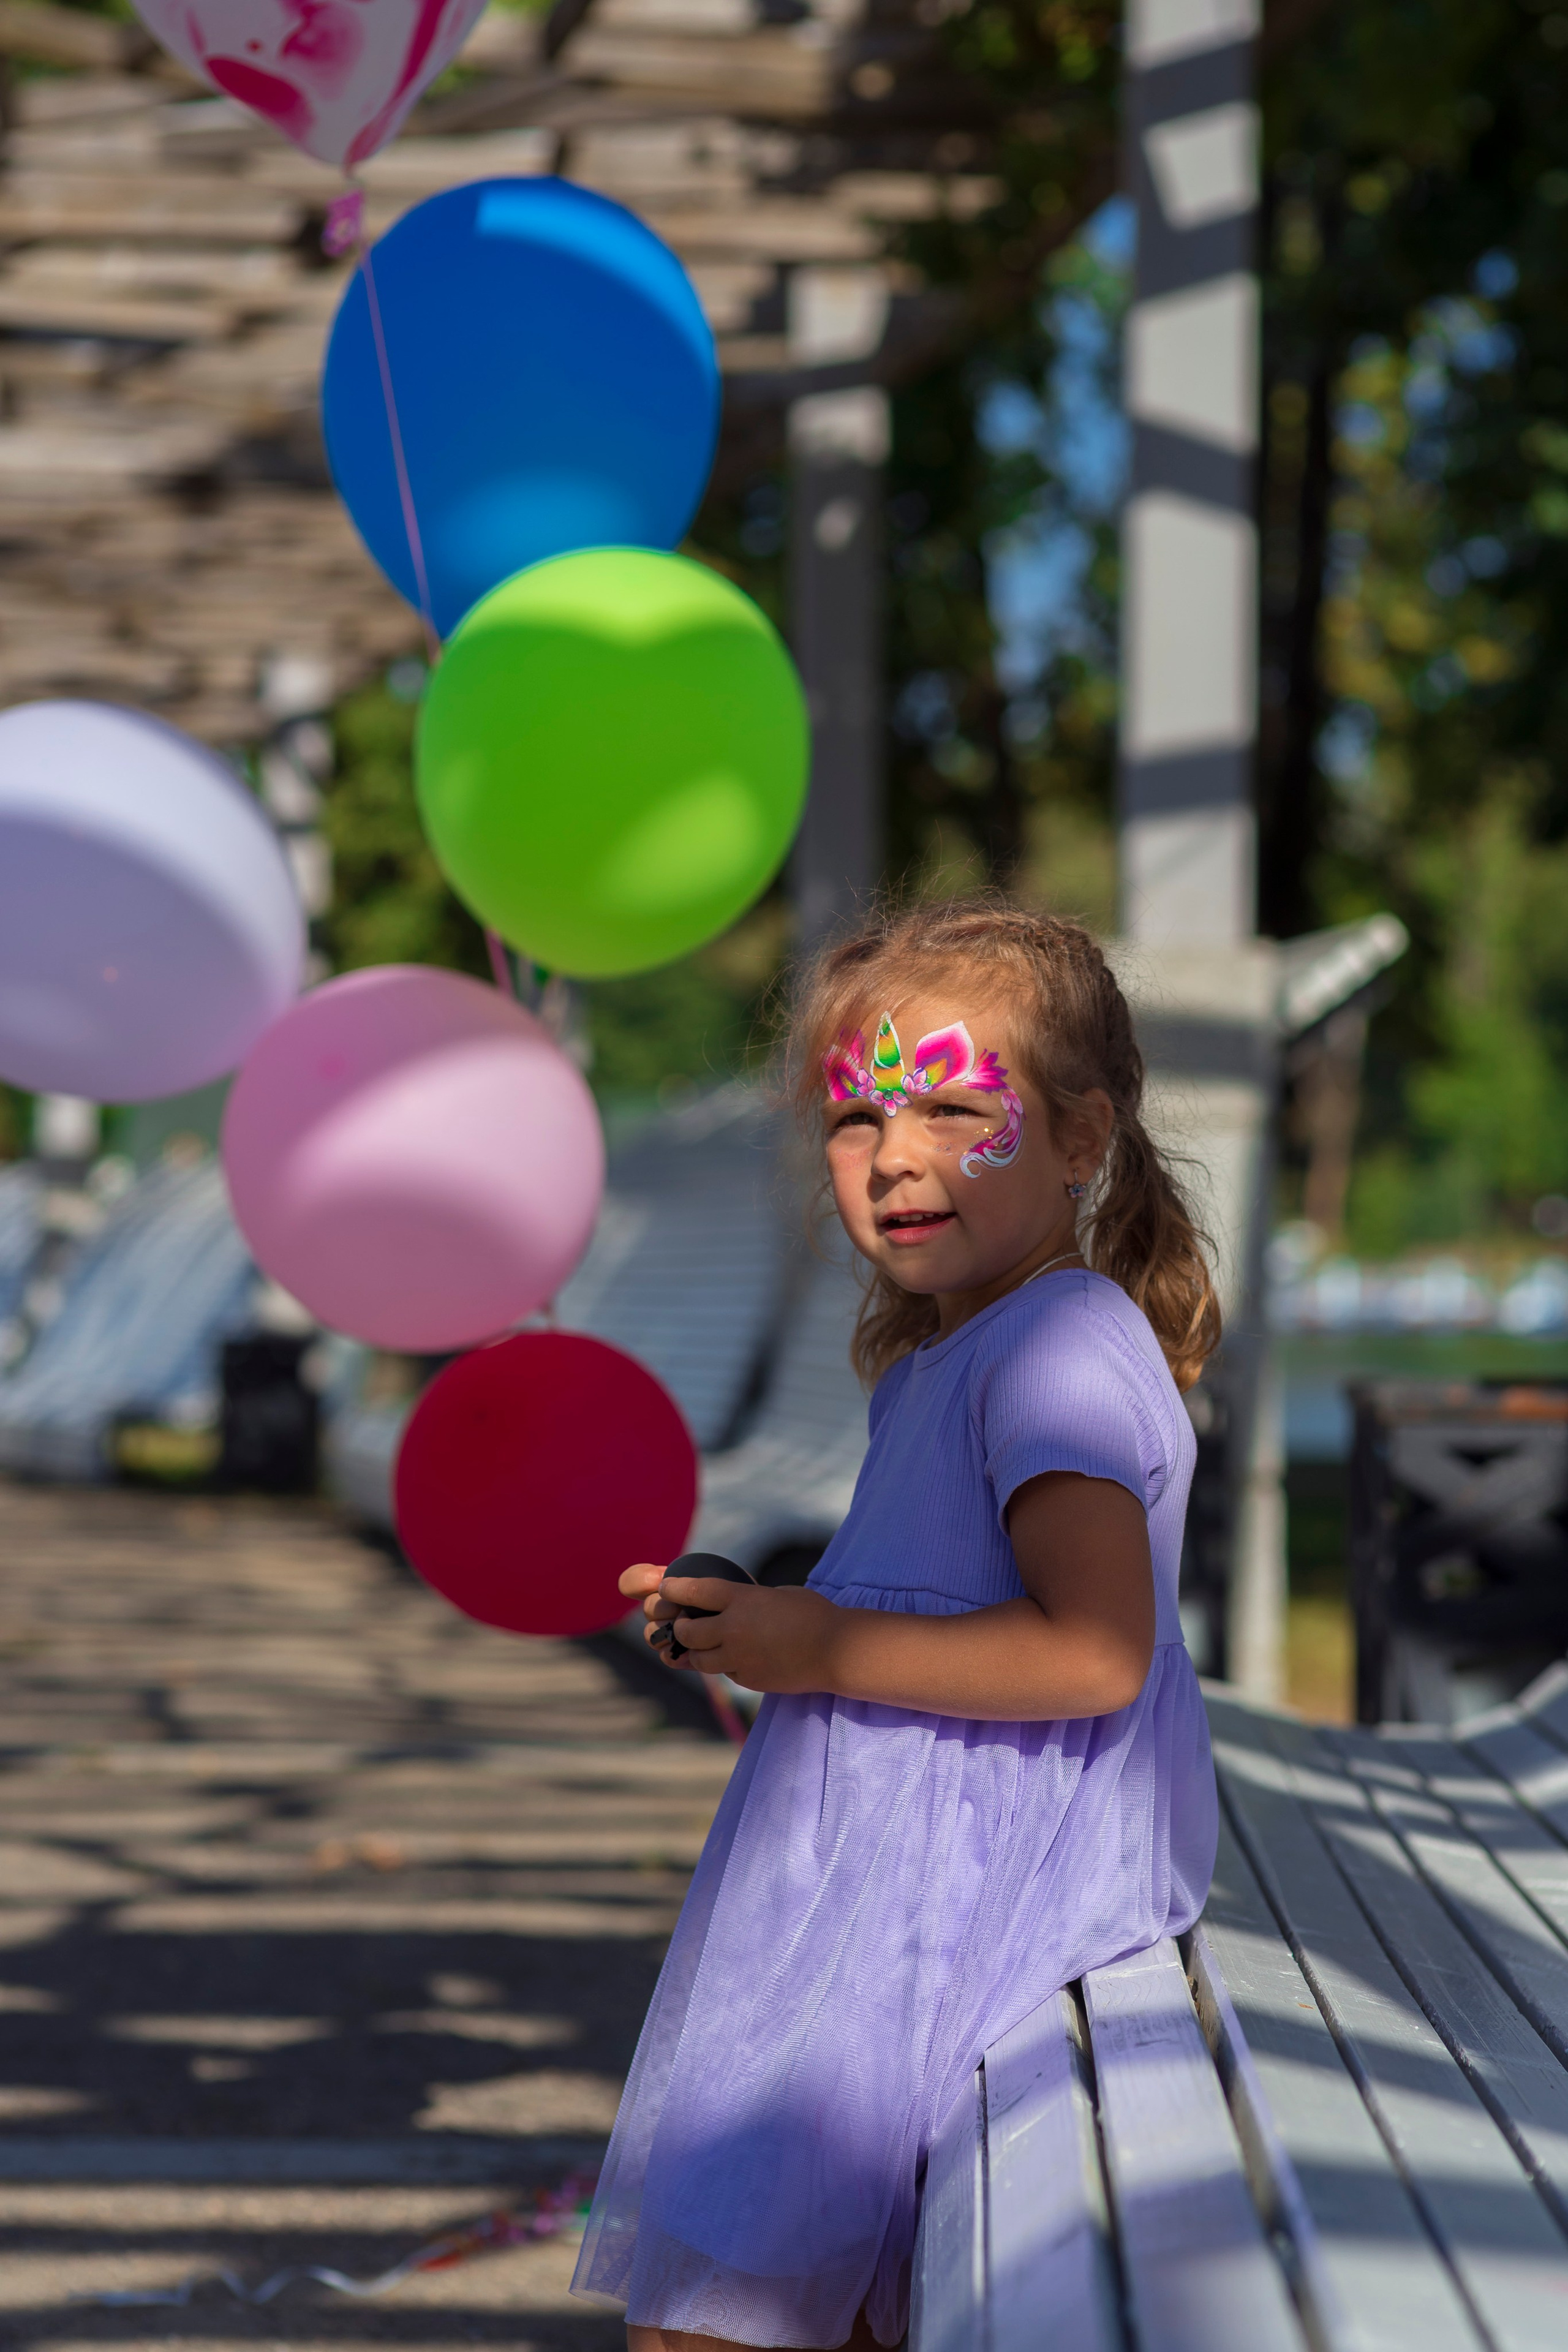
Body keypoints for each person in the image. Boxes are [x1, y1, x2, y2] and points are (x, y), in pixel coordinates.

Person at [572, 902, 1223, 2352]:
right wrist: (752, 1625)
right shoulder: (949, 1353)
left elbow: (1092, 1653)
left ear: (1077, 1136)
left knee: (723, 2310)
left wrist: (818, 1648)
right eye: (857, 1117)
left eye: (948, 1105)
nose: (897, 1155)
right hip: (892, 1890)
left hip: (954, 1916)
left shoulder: (1053, 1350)